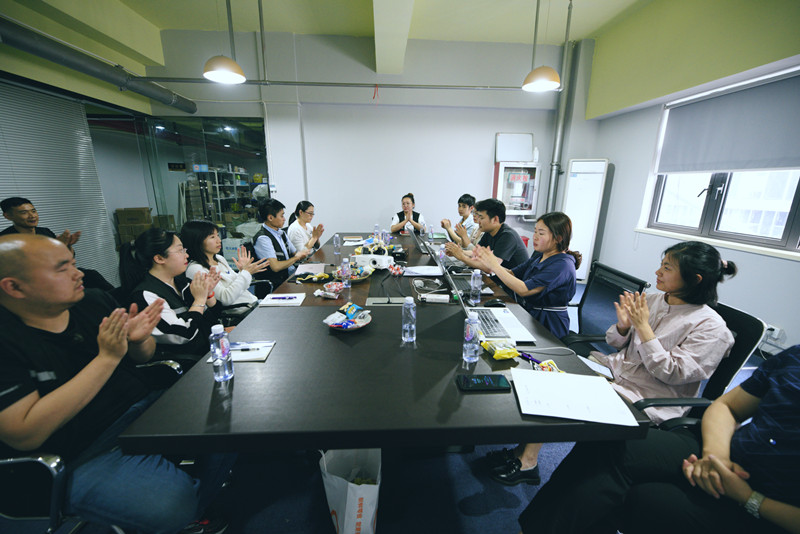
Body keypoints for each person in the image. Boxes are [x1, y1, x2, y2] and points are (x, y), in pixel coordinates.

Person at [0, 233, 235, 534]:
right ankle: (187, 510)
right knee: (170, 506)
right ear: (14, 287)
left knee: (233, 418)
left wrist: (138, 341)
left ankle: (191, 509)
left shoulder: (93, 301)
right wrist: (107, 358)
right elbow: (25, 433)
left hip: (142, 410)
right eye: (62, 269)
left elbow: (143, 356)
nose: (78, 273)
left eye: (73, 263)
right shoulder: (8, 340)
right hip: (84, 450)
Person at [488, 241, 737, 486]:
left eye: (667, 268)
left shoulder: (711, 328)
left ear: (694, 279)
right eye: (661, 265)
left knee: (557, 392)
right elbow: (614, 342)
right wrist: (623, 327)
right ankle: (522, 453)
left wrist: (643, 328)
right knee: (545, 373)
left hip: (645, 397)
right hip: (613, 373)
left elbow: (671, 373)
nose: (658, 272)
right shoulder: (654, 300)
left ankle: (527, 462)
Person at [518, 345, 800, 534]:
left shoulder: (708, 326)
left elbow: (670, 370)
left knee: (643, 499)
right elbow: (727, 406)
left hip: (769, 503)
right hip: (723, 455)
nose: (658, 277)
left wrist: (750, 498)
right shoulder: (794, 357)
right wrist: (716, 457)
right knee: (611, 443)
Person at [119, 227, 222, 361]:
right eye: (180, 250)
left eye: (184, 250)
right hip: (189, 362)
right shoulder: (146, 295)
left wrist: (208, 294)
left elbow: (214, 318)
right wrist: (199, 300)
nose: (187, 255)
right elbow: (184, 334)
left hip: (210, 350)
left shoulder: (182, 282)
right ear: (159, 258)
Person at [474, 212, 580, 338]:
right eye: (535, 232)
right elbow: (511, 273)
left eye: (541, 233)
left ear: (558, 238)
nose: (535, 237)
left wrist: (495, 266)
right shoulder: (540, 256)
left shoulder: (562, 265)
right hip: (530, 314)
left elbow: (524, 290)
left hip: (548, 324)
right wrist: (490, 263)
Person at [0, 196, 112, 291]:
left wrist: (66, 246)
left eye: (33, 211)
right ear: (8, 216)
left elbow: (69, 257)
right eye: (24, 213)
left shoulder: (45, 232)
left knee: (91, 275)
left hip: (59, 273)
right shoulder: (5, 240)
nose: (32, 216)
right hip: (36, 282)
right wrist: (55, 249)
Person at [182, 220, 269, 313]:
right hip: (243, 312)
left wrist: (242, 271)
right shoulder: (196, 269)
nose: (219, 241)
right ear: (197, 241)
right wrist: (246, 273)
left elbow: (240, 287)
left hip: (253, 303)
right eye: (212, 237)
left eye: (217, 235)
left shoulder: (219, 259)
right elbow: (226, 298)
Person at [445, 198, 528, 272]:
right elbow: (476, 253)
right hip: (498, 278)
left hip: (511, 283)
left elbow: (491, 268)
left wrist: (462, 257)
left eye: (481, 218)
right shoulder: (489, 232)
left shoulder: (507, 236)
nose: (478, 221)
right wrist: (460, 252)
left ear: (495, 219)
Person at [253, 198, 310, 290]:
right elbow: (276, 267)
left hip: (289, 276)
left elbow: (296, 253)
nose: (284, 219)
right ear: (270, 218)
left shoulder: (280, 233)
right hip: (277, 284)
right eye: (282, 216)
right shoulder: (263, 239)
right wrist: (296, 258)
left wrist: (312, 240)